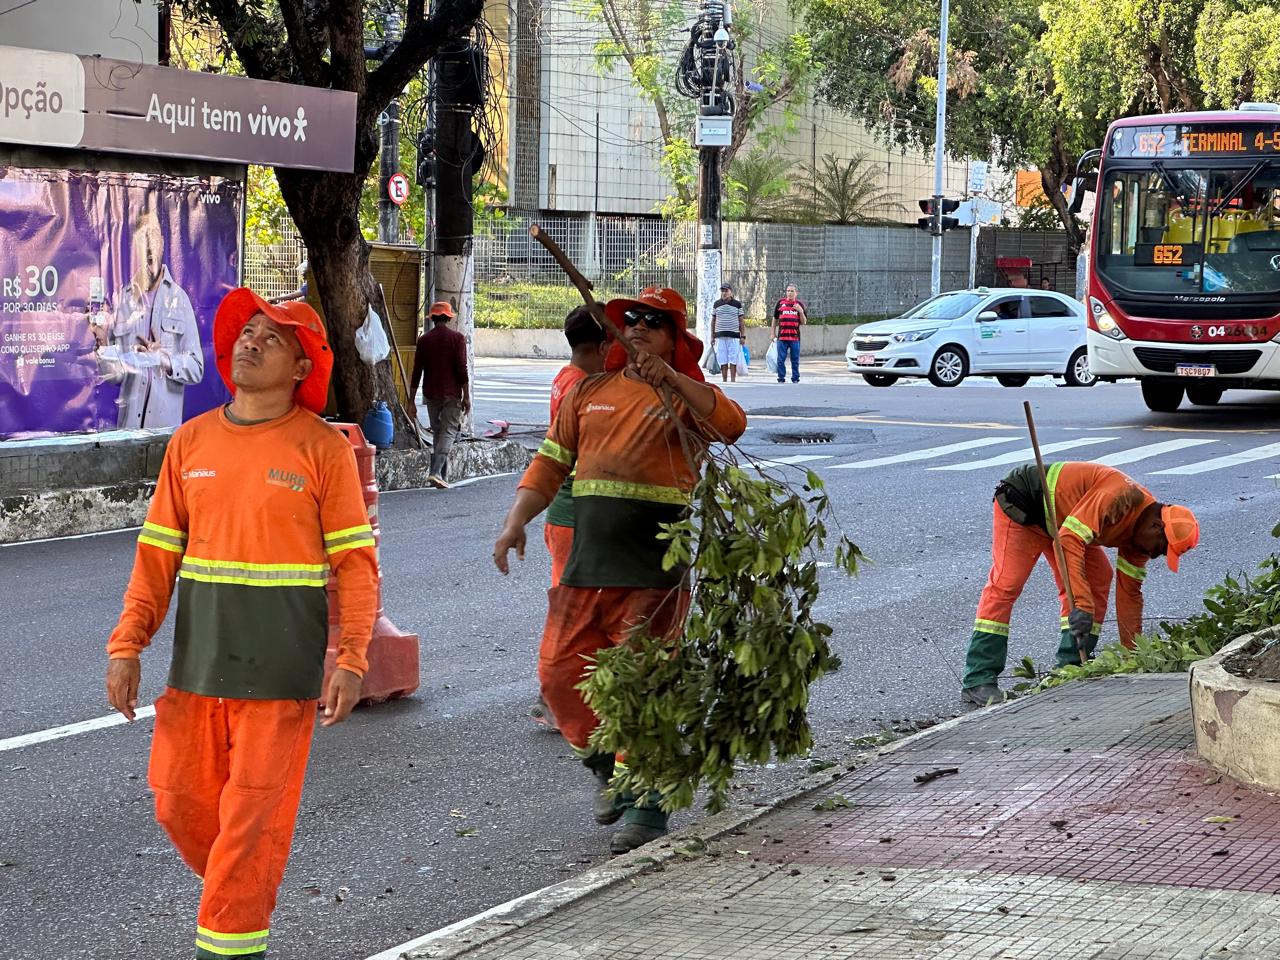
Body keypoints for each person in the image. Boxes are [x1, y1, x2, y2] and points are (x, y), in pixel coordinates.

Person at [104, 287, 379, 960]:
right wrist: (127, 643)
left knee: (251, 826)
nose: (251, 342)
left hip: (279, 679)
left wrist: (351, 658)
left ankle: (230, 938)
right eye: (248, 332)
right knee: (178, 804)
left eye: (272, 337)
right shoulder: (191, 441)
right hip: (197, 668)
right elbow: (156, 557)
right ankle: (239, 886)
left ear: (301, 368)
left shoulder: (323, 448)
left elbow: (356, 566)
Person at [493, 286, 747, 854]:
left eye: (653, 322)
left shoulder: (685, 398)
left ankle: (648, 813)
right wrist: (515, 522)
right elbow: (549, 464)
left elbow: (731, 424)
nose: (637, 326)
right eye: (630, 318)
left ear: (675, 338)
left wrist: (672, 379)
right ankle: (609, 769)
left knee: (645, 687)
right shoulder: (589, 393)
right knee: (558, 676)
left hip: (655, 573)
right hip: (586, 567)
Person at [961, 461, 1200, 706]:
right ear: (1156, 527)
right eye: (1161, 549)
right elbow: (1069, 541)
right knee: (1007, 584)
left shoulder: (1141, 542)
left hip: (1063, 522)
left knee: (1099, 578)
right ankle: (979, 678)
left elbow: (1129, 595)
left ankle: (1070, 667)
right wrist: (1082, 605)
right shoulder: (1119, 497)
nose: (1155, 556)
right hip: (1026, 503)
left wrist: (1134, 657)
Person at [529, 305, 612, 732]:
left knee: (576, 604)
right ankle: (555, 698)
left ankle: (565, 696)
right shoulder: (583, 388)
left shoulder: (567, 378)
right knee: (572, 608)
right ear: (603, 347)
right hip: (573, 508)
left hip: (569, 509)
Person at [93, 208, 204, 430]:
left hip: (163, 435)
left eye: (153, 235)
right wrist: (103, 344)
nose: (149, 244)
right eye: (143, 237)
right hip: (128, 433)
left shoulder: (179, 298)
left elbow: (196, 369)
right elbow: (115, 376)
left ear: (162, 242)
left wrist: (164, 360)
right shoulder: (125, 300)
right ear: (136, 246)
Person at [409, 301, 470, 489]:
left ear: (433, 318)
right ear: (448, 318)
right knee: (449, 431)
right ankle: (435, 472)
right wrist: (466, 395)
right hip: (451, 393)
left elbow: (417, 372)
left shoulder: (424, 340)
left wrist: (411, 401)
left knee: (438, 432)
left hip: (431, 393)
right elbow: (462, 369)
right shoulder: (457, 338)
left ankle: (442, 476)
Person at [771, 283, 806, 383]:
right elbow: (775, 319)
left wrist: (801, 312)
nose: (790, 293)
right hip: (782, 338)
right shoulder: (780, 303)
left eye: (792, 291)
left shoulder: (799, 305)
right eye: (788, 291)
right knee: (780, 359)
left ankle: (795, 378)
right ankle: (781, 378)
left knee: (795, 360)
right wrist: (772, 333)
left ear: (796, 293)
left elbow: (804, 322)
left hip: (795, 338)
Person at [712, 282, 746, 383]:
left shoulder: (737, 304)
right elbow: (713, 321)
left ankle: (733, 380)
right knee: (723, 360)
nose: (724, 293)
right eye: (722, 291)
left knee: (733, 359)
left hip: (734, 336)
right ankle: (724, 380)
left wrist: (743, 336)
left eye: (726, 291)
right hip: (720, 336)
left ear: (731, 292)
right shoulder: (716, 304)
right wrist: (712, 336)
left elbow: (741, 321)